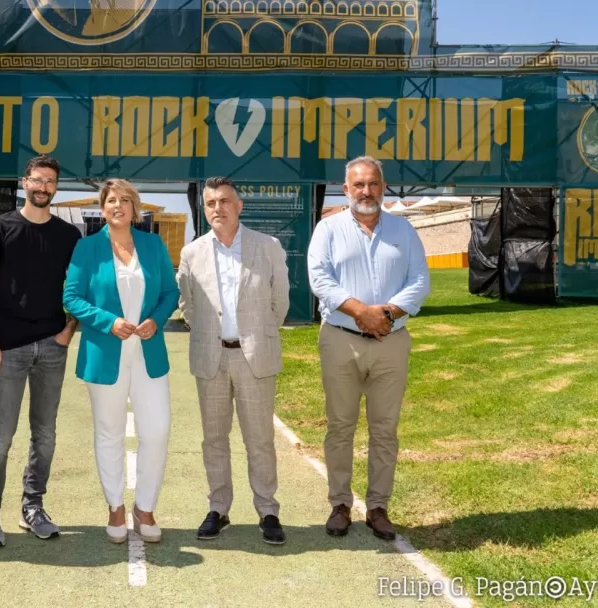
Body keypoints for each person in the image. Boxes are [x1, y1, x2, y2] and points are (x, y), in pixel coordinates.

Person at [306, 156, 430, 542]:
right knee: (340, 426)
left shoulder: (403, 230)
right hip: (341, 340)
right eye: (358, 185)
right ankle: (340, 504)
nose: (366, 191)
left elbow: (420, 280)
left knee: (385, 429)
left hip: (391, 343)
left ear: (383, 186)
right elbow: (319, 279)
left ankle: (378, 507)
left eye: (373, 183)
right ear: (345, 189)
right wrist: (359, 310)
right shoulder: (327, 229)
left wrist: (387, 313)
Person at [63, 179, 179, 543]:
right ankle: (115, 506)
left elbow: (170, 291)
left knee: (156, 430)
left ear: (135, 208)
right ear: (103, 208)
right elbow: (72, 297)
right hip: (105, 353)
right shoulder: (87, 248)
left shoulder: (153, 244)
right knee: (109, 433)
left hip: (148, 353)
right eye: (112, 200)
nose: (118, 206)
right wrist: (108, 322)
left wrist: (156, 321)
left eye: (125, 200)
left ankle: (144, 508)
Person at [0, 155, 82, 548]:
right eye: (37, 179)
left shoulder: (69, 236)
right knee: (1, 434)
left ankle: (32, 507)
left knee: (45, 435)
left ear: (56, 187)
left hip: (52, 347)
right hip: (8, 348)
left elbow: (83, 290)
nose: (43, 187)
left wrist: (69, 329)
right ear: (25, 182)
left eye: (50, 181)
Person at [176, 176, 290, 545]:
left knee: (259, 439)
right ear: (204, 208)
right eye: (210, 203)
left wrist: (257, 333)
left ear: (239, 206)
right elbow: (186, 303)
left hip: (254, 357)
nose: (217, 208)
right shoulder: (192, 253)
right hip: (211, 358)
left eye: (225, 201)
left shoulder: (267, 246)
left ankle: (268, 511)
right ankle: (219, 508)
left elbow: (281, 301)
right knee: (214, 439)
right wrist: (210, 332)